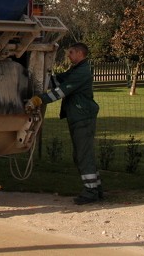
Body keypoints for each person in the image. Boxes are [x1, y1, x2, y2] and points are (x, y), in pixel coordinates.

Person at [25, 42, 103, 205]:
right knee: (82, 154)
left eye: (71, 52)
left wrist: (39, 100)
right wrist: (38, 79)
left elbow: (60, 92)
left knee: (83, 154)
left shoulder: (81, 72)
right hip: (79, 116)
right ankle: (95, 188)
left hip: (82, 117)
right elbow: (59, 80)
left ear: (81, 54)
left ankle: (90, 192)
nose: (68, 55)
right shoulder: (77, 69)